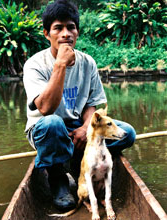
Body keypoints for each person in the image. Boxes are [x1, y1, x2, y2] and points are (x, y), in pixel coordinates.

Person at [23, 0, 136, 212]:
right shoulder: (35, 65)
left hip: (78, 125)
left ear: (77, 32)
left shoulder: (87, 62)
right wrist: (60, 65)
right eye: (58, 28)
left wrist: (86, 128)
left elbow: (91, 104)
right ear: (47, 33)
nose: (66, 33)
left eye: (71, 27)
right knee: (53, 124)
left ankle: (76, 160)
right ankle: (58, 179)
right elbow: (45, 108)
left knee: (127, 133)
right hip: (45, 128)